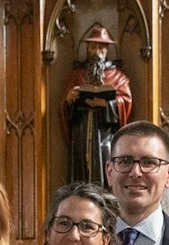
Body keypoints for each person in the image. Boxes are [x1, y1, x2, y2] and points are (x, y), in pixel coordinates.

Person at [62, 24, 132, 185]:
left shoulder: (118, 76)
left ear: (107, 49)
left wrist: (107, 104)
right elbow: (64, 107)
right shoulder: (77, 75)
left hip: (105, 133)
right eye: (93, 47)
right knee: (81, 172)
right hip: (81, 131)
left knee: (105, 168)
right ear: (87, 48)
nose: (97, 51)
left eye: (101, 47)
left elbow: (126, 102)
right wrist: (70, 100)